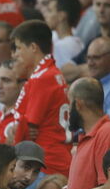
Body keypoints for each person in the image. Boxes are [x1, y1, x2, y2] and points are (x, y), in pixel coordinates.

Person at [10, 19, 73, 176]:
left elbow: (28, 127)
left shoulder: (42, 78)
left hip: (45, 162)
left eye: (19, 48)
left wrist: (19, 129)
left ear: (33, 48)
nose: (16, 54)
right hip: (56, 156)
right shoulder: (54, 73)